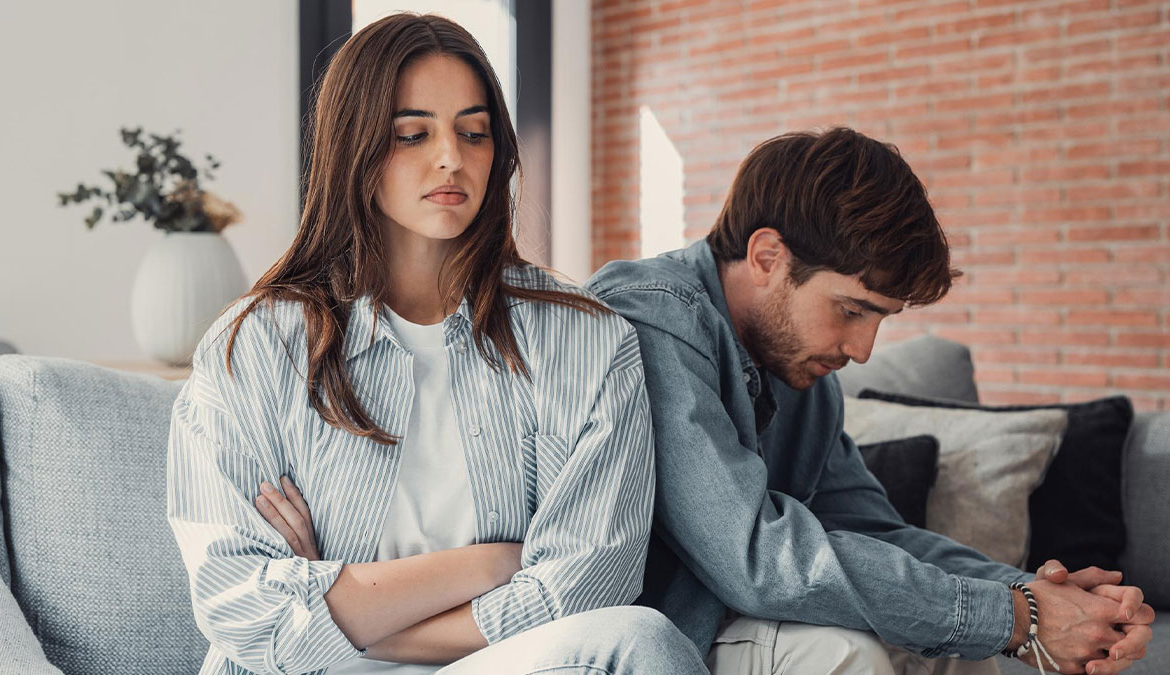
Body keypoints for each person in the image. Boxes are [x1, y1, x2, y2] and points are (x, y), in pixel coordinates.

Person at [166, 13, 705, 675]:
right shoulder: (254, 345)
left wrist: (349, 606)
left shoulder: (588, 339)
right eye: (412, 134)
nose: (452, 156)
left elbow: (587, 587)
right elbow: (243, 609)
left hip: (504, 664)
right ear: (354, 145)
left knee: (640, 639)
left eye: (474, 132)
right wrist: (495, 563)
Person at [585, 127, 1155, 675]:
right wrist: (1016, 619)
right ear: (766, 257)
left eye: (880, 319)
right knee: (846, 651)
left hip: (735, 619)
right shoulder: (651, 317)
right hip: (653, 642)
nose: (862, 350)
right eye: (851, 310)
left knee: (956, 645)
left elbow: (874, 532)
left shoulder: (802, 376)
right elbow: (753, 557)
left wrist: (1033, 596)